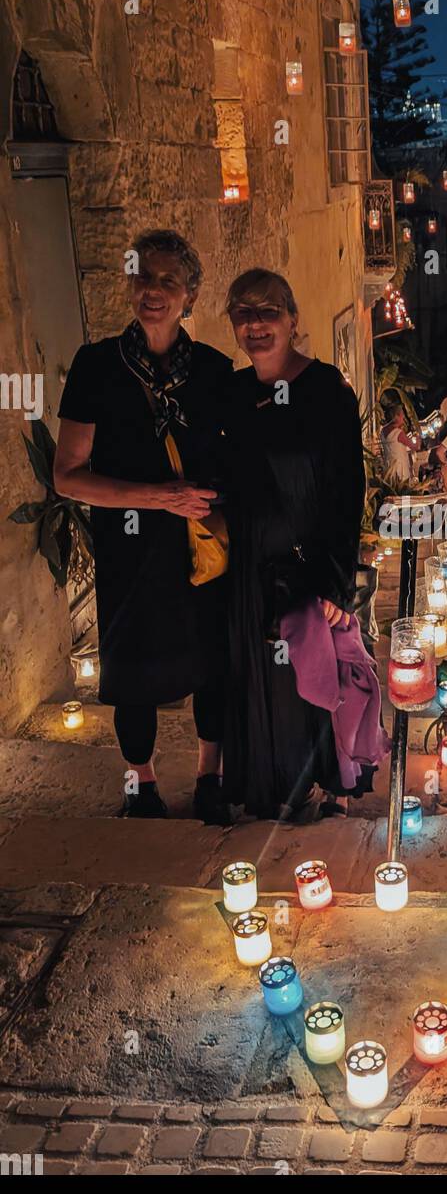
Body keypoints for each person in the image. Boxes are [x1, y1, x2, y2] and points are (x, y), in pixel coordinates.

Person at [53, 230, 231, 820]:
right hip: (128, 550)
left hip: (201, 548)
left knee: (210, 660)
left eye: (167, 281)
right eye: (142, 278)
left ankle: (211, 775)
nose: (152, 292)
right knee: (132, 670)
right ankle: (141, 786)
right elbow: (68, 477)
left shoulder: (214, 372)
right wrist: (158, 497)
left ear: (190, 296)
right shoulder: (95, 366)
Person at [221, 268, 381, 821]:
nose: (256, 324)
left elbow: (346, 489)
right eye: (243, 312)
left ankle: (314, 791)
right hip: (250, 569)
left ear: (292, 319)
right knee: (264, 679)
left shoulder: (326, 391)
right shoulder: (235, 394)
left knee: (303, 683)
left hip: (307, 568)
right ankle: (270, 792)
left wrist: (335, 580)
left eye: (268, 311)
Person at [381, 403, 419, 483]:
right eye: (402, 415)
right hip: (400, 470)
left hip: (389, 468)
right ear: (396, 417)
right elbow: (415, 447)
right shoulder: (398, 433)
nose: (403, 417)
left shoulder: (383, 431)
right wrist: (418, 436)